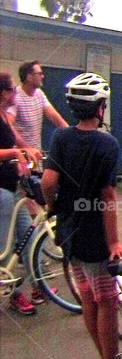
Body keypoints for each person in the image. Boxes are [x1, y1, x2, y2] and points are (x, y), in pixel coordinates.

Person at [41, 73, 122, 359]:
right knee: (106, 300)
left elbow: (48, 182)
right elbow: (107, 196)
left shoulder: (61, 138)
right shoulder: (106, 144)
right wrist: (114, 241)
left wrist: (52, 207)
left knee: (89, 298)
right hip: (94, 237)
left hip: (68, 233)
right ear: (100, 108)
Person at [0, 72, 43, 315]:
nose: (15, 93)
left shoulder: (4, 116)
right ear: (4, 93)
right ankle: (13, 294)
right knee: (5, 250)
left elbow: (12, 143)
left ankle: (38, 286)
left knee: (31, 238)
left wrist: (26, 151)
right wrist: (16, 154)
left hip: (14, 189)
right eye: (12, 89)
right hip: (2, 192)